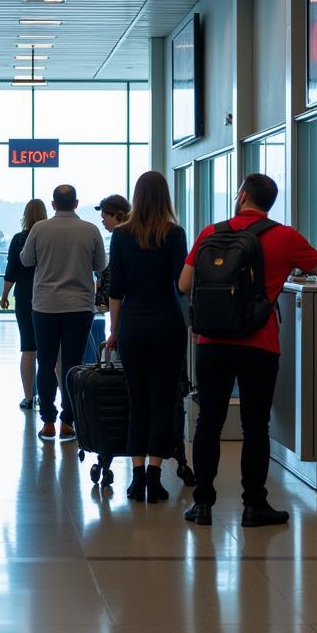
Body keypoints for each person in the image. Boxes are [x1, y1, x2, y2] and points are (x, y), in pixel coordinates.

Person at [179, 173, 317, 528]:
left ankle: (202, 504)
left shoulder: (210, 233)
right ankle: (253, 505)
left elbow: (184, 283)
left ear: (243, 195)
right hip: (259, 344)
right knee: (256, 425)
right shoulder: (284, 236)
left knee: (208, 421)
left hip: (211, 343)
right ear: (269, 202)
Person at [104, 173, 187, 503]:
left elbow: (116, 291)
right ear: (164, 197)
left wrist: (114, 330)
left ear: (136, 198)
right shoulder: (174, 234)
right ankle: (155, 476)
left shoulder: (121, 236)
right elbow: (182, 283)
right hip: (167, 324)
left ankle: (136, 478)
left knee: (136, 400)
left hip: (133, 327)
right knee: (163, 401)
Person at [21, 184, 105, 442]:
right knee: (72, 364)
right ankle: (68, 422)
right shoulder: (91, 230)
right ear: (77, 203)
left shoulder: (39, 229)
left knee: (45, 362)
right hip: (80, 307)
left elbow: (26, 260)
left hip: (45, 306)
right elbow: (101, 265)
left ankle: (47, 421)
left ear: (54, 204)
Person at [0, 199, 48, 410]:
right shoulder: (51, 237)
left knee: (28, 348)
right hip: (49, 296)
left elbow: (12, 270)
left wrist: (4, 295)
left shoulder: (19, 239)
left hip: (26, 297)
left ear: (25, 216)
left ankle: (29, 398)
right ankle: (56, 400)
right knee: (53, 351)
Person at [94, 194, 131, 312]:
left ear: (118, 215)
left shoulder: (121, 237)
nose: (103, 222)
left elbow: (116, 282)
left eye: (105, 218)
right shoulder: (131, 236)